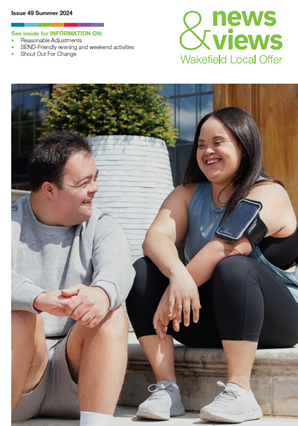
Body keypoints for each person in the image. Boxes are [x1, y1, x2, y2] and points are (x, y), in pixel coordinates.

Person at [126, 107, 298, 423]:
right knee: (141, 272)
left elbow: (226, 246)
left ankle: (240, 392)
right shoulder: (188, 194)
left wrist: (172, 294)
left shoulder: (269, 193)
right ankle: (167, 389)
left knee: (233, 267)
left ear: (244, 148)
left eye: (218, 142)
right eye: (201, 144)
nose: (207, 151)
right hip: (205, 320)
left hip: (275, 324)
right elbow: (155, 238)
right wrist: (177, 275)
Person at [11, 130, 135, 426]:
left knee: (110, 310)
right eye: (82, 183)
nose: (94, 189)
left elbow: (119, 267)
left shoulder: (101, 224)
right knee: (21, 314)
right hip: (20, 381)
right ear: (49, 190)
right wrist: (38, 299)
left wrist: (101, 294)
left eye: (95, 177)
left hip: (78, 380)